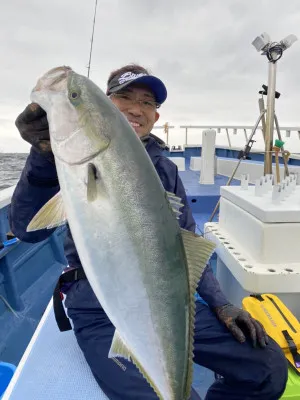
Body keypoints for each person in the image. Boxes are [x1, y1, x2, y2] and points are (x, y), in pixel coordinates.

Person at [9, 64, 288, 400]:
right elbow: (26, 230)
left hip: (164, 301)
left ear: (156, 117)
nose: (136, 108)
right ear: (108, 106)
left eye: (147, 103)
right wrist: (42, 155)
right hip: (98, 308)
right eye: (124, 97)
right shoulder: (68, 159)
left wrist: (221, 305)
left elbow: (187, 244)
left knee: (266, 366)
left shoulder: (166, 171)